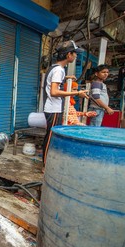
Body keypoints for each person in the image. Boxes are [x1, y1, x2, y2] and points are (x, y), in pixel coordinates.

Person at [42, 40, 89, 168]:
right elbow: (54, 92)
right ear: (68, 55)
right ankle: (45, 165)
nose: (76, 56)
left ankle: (47, 163)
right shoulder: (59, 70)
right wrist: (76, 93)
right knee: (50, 138)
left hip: (52, 108)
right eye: (75, 54)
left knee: (50, 136)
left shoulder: (54, 68)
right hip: (54, 109)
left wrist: (67, 79)